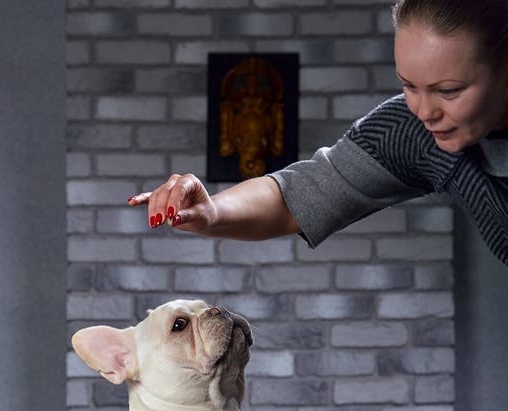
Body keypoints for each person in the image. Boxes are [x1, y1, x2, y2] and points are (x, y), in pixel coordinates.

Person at [128, 0, 508, 265]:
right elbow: (298, 195)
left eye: (449, 91)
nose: (425, 111)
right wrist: (213, 211)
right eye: (408, 85)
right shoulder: (413, 132)